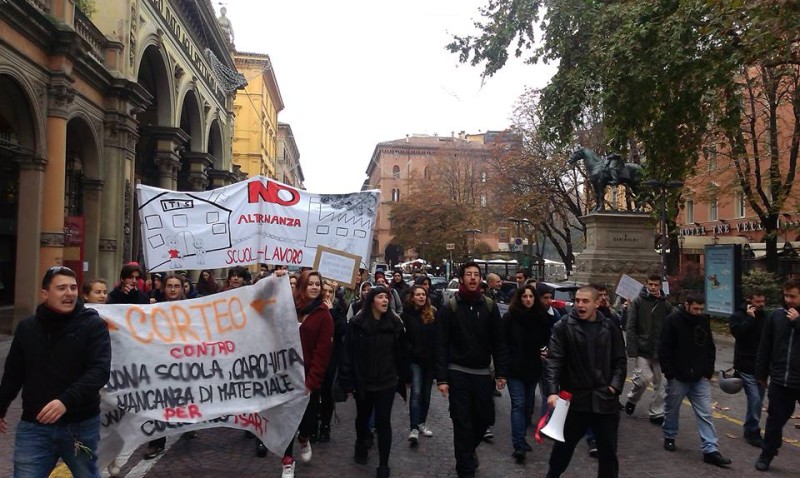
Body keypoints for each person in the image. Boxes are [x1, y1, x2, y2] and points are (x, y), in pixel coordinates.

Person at [0, 266, 111, 477]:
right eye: (61, 288)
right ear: (45, 294)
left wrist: (65, 401)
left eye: (73, 287)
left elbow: (99, 371)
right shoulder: (27, 328)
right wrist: (1, 407)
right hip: (34, 427)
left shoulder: (93, 325)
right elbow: (13, 373)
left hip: (80, 426)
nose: (69, 293)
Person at [544, 286, 626, 478]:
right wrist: (552, 391)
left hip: (604, 400)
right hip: (575, 400)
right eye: (578, 300)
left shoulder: (610, 326)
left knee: (608, 454)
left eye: (585, 301)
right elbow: (554, 360)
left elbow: (620, 360)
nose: (580, 305)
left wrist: (614, 386)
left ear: (597, 303)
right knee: (563, 449)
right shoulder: (563, 326)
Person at [436, 262, 509, 478]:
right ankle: (465, 468)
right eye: (468, 274)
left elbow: (499, 342)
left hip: (482, 374)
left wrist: (502, 372)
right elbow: (440, 344)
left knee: (485, 418)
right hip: (458, 372)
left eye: (476, 274)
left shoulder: (489, 306)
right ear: (462, 279)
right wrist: (442, 378)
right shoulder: (449, 308)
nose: (473, 278)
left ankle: (468, 451)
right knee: (462, 422)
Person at [340, 286, 408, 478]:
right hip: (364, 381)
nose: (385, 300)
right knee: (362, 418)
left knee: (383, 421)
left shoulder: (395, 324)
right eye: (380, 297)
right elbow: (348, 354)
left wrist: (403, 377)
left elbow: (401, 353)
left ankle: (384, 464)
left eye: (386, 297)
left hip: (387, 381)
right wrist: (348, 381)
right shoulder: (357, 324)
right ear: (372, 301)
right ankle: (361, 443)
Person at [659, 293, 731, 467]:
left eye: (701, 308)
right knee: (672, 408)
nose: (698, 312)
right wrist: (669, 372)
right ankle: (670, 434)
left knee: (705, 412)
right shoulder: (673, 320)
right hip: (678, 375)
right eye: (695, 308)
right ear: (687, 305)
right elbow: (664, 347)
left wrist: (708, 371)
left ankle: (710, 449)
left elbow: (709, 347)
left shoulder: (703, 321)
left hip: (699, 376)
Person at [279, 271, 334, 478]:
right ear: (302, 286)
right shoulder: (289, 309)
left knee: (307, 419)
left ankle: (304, 437)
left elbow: (322, 352)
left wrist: (312, 381)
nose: (314, 287)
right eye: (310, 284)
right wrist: (277, 279)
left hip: (310, 376)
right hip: (287, 374)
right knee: (287, 420)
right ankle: (287, 461)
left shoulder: (323, 315)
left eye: (317, 284)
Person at [754, 279, 800, 472]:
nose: (788, 300)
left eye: (793, 296)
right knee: (774, 420)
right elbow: (765, 346)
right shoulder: (776, 317)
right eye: (786, 295)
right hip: (781, 379)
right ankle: (767, 454)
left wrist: (798, 322)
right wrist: (761, 373)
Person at [503, 284, 550, 463]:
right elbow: (503, 342)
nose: (528, 299)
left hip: (533, 368)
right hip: (514, 368)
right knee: (518, 404)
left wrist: (545, 351)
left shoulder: (541, 318)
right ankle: (519, 444)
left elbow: (547, 340)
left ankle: (521, 438)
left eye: (531, 296)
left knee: (527, 406)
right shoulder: (510, 318)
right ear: (519, 298)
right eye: (525, 297)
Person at [624, 273, 670, 425]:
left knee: (662, 383)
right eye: (650, 284)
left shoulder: (665, 303)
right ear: (646, 284)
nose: (653, 287)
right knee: (644, 378)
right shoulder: (638, 301)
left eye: (656, 285)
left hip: (660, 349)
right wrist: (632, 349)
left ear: (660, 286)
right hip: (643, 348)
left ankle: (656, 412)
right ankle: (632, 398)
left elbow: (672, 323)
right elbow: (630, 326)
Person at [729, 290, 768, 447]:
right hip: (745, 365)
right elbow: (737, 333)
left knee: (757, 400)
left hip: (762, 367)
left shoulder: (766, 317)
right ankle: (753, 430)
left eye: (763, 301)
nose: (761, 305)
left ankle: (749, 427)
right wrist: (750, 319)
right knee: (755, 399)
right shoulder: (738, 316)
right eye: (758, 302)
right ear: (749, 301)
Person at [402, 285, 437, 446]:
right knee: (416, 393)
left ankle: (422, 422)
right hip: (415, 360)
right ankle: (414, 427)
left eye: (423, 294)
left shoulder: (432, 314)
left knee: (426, 394)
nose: (421, 297)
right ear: (413, 297)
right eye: (418, 294)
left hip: (430, 360)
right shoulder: (406, 315)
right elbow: (404, 339)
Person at [315, 279, 347, 443]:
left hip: (331, 357)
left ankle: (325, 426)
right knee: (313, 392)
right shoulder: (311, 307)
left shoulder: (338, 309)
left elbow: (342, 330)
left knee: (327, 394)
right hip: (314, 356)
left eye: (330, 292)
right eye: (324, 291)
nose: (327, 294)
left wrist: (332, 312)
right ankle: (312, 425)